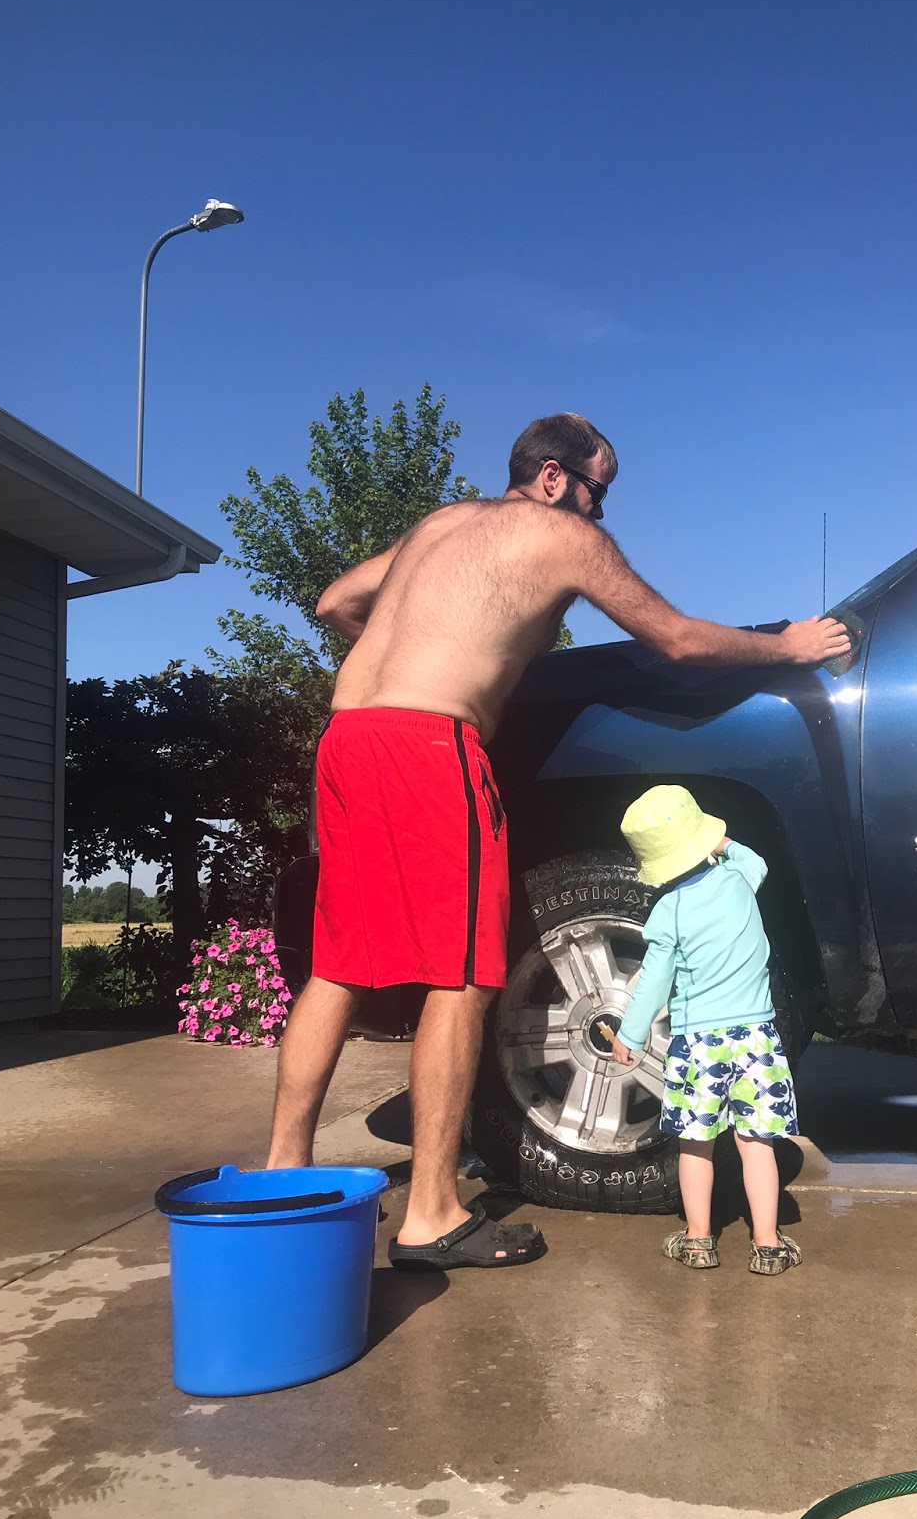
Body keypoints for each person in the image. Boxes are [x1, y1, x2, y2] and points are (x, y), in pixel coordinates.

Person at [265, 412, 850, 1272]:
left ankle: (283, 1175)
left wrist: (433, 648)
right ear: (552, 478)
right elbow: (677, 639)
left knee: (339, 964)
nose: (600, 512)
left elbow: (335, 603)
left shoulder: (441, 524)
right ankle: (430, 1213)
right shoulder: (561, 536)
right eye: (596, 492)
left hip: (349, 739)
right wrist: (786, 645)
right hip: (430, 747)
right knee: (462, 975)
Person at [608, 784, 801, 1276]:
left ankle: (698, 1241)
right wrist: (722, 843)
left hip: (699, 1045)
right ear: (704, 838)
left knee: (696, 1145)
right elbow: (755, 860)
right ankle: (768, 1244)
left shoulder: (668, 912)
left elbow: (654, 982)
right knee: (757, 1144)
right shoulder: (739, 877)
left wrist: (630, 1036)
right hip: (756, 1038)